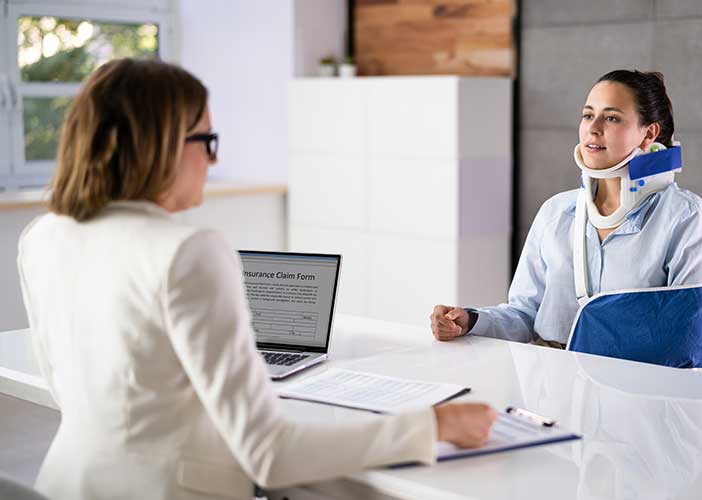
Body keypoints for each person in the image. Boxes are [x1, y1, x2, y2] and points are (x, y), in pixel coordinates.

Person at [17, 58, 496, 500]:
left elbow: (89, 396)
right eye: (207, 140)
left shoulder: (43, 236)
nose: (213, 160)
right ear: (159, 144)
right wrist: (432, 425)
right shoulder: (187, 251)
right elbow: (269, 453)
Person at [430, 70, 702, 361]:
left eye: (611, 117)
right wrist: (470, 321)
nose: (593, 128)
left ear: (648, 133)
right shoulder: (556, 213)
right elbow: (524, 316)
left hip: (637, 395)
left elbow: (689, 340)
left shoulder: (683, 217)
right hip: (550, 388)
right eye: (588, 115)